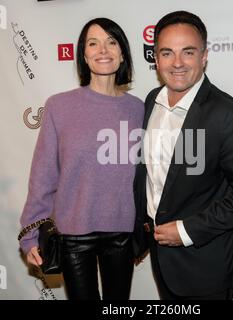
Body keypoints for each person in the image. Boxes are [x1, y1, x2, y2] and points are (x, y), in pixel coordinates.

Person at [133, 10, 233, 300]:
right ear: (155, 59)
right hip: (162, 259)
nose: (178, 63)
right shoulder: (151, 102)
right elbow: (154, 177)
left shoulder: (228, 115)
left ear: (204, 56)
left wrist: (185, 230)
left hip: (207, 264)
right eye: (167, 53)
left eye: (188, 52)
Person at [19, 17, 144, 300]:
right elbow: (43, 176)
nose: (103, 50)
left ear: (122, 53)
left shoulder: (138, 110)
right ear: (84, 55)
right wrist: (30, 234)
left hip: (122, 229)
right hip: (73, 230)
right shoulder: (59, 106)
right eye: (93, 43)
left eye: (112, 42)